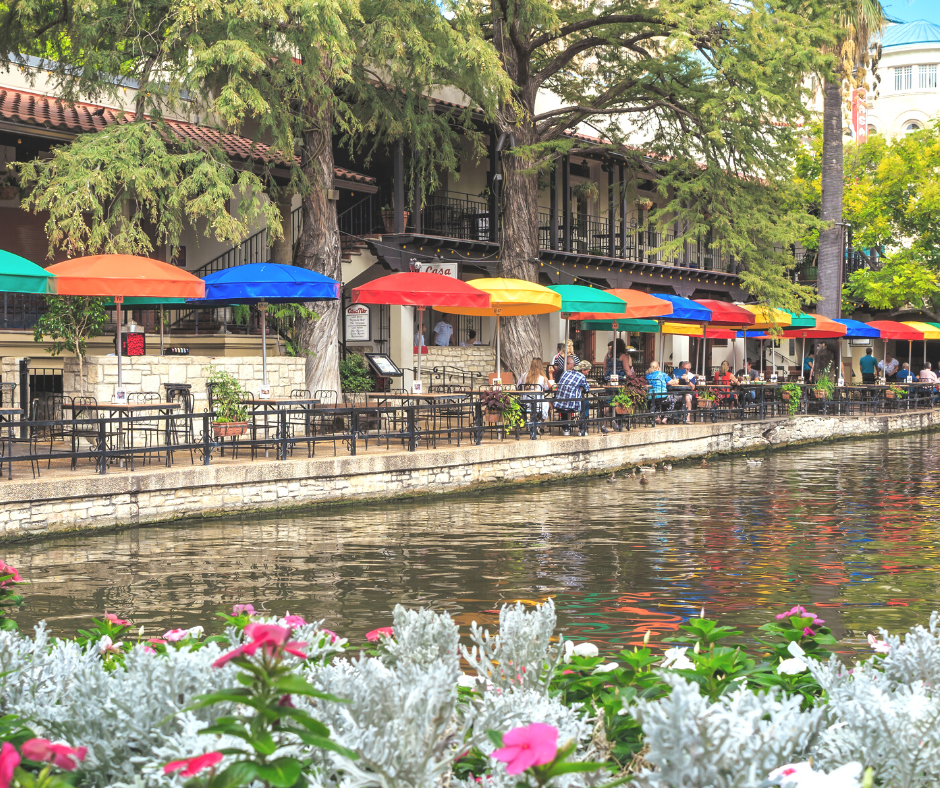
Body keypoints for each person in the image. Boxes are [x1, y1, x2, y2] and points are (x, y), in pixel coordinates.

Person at [555, 357, 592, 436]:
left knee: (565, 400)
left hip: (559, 404)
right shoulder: (581, 377)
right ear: (583, 370)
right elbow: (587, 389)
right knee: (586, 404)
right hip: (572, 405)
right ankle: (582, 428)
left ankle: (566, 428)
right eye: (587, 372)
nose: (587, 374)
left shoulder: (565, 373)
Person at [518, 357, 551, 423]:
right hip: (538, 403)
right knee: (550, 405)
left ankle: (528, 421)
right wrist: (550, 375)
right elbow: (549, 387)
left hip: (525, 403)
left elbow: (518, 386)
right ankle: (540, 423)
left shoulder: (524, 375)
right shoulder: (542, 378)